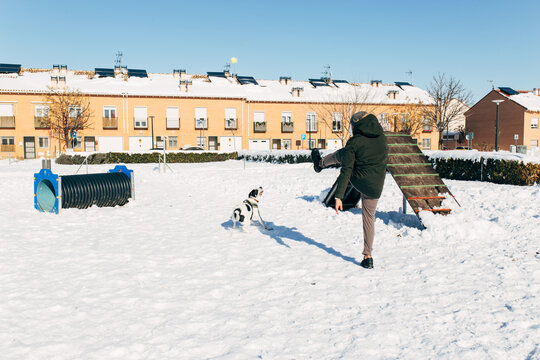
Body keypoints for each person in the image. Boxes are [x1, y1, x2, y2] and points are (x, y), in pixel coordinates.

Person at [311, 111, 388, 269]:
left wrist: (338, 196)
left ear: (356, 125)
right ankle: (368, 256)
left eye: (352, 126)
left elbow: (346, 171)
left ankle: (320, 164)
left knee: (343, 155)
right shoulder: (382, 139)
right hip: (376, 185)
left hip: (358, 179)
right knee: (368, 218)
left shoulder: (355, 142)